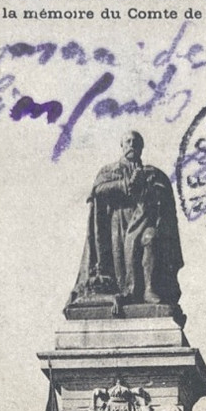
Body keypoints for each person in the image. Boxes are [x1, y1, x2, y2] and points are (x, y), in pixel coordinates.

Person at [70, 130, 183, 308]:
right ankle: (128, 291)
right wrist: (125, 185)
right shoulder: (109, 170)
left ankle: (149, 289)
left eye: (135, 142)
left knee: (151, 238)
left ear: (141, 147)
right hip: (119, 223)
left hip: (145, 219)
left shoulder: (152, 172)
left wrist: (150, 186)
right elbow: (98, 190)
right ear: (122, 146)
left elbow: (164, 197)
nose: (132, 145)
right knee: (122, 266)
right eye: (128, 142)